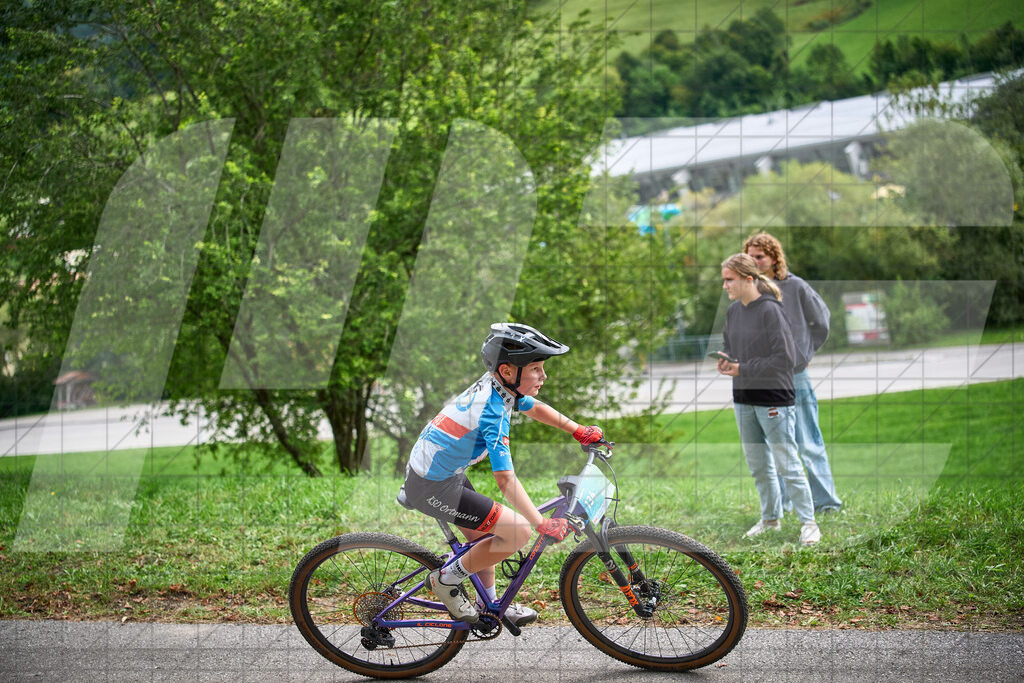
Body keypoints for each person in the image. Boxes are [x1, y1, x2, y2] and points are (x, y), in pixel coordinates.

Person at [400, 322, 605, 625]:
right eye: (536, 368)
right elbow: (505, 479)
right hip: (432, 486)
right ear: (508, 371)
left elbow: (533, 407)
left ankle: (490, 605)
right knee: (516, 531)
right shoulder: (491, 411)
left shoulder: (500, 387)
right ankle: (444, 581)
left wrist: (579, 431)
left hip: (441, 475)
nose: (543, 375)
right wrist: (540, 523)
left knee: (488, 539)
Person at [716, 253, 820, 545]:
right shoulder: (734, 311)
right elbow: (730, 345)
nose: (725, 286)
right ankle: (770, 519)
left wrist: (743, 368)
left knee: (787, 463)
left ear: (748, 279)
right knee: (759, 465)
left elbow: (786, 359)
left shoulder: (771, 311)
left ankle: (809, 523)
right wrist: (726, 361)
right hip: (743, 398)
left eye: (729, 280)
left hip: (774, 397)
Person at [743, 232, 842, 514]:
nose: (755, 262)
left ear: (774, 258)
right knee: (778, 445)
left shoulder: (795, 286)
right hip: (763, 379)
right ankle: (786, 505)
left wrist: (803, 354)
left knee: (808, 441)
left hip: (794, 377)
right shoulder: (750, 291)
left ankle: (827, 504)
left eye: (759, 257)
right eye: (750, 257)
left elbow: (821, 321)